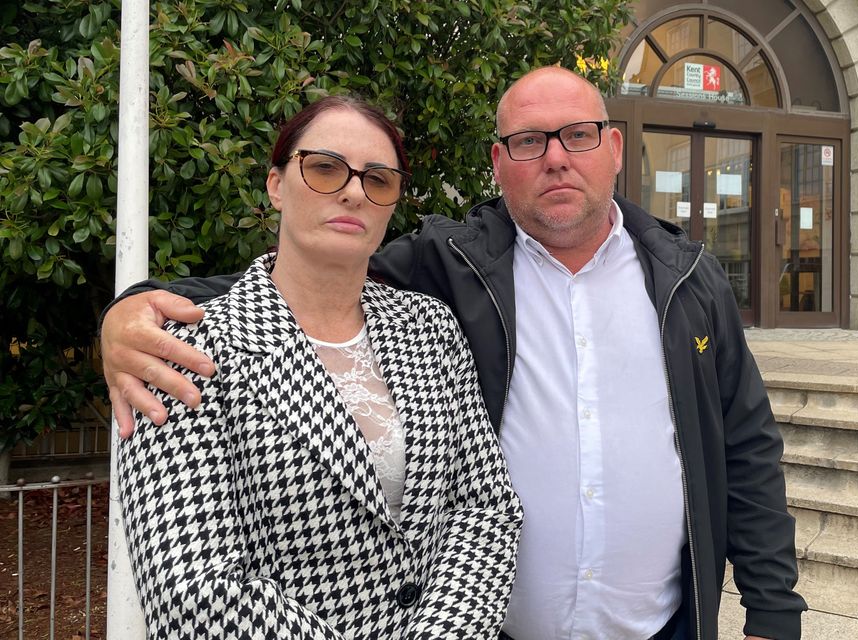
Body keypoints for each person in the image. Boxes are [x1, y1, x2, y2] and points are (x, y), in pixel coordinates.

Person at [102, 67, 806, 639]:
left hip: (662, 626)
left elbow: (744, 442)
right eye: (529, 141)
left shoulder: (690, 277)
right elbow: (319, 268)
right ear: (499, 163)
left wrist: (772, 609)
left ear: (615, 149)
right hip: (500, 628)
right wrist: (135, 303)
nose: (556, 157)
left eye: (578, 136)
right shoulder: (452, 266)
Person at [113, 95, 523, 639]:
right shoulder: (185, 348)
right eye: (326, 168)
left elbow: (486, 509)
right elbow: (195, 586)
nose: (355, 190)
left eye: (378, 179)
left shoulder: (432, 330)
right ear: (276, 185)